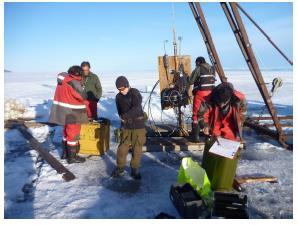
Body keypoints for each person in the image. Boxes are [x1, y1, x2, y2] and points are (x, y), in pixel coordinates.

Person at [199, 82, 247, 191]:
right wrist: (205, 126)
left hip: (230, 125)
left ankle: (225, 176)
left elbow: (243, 113)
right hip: (215, 125)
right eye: (218, 102)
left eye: (222, 103)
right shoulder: (209, 99)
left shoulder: (240, 99)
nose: (220, 105)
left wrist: (239, 123)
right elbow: (202, 115)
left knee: (229, 153)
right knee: (213, 149)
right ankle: (209, 176)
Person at [49, 66, 88, 164]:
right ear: (78, 74)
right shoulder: (74, 82)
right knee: (73, 134)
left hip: (63, 112)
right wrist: (82, 86)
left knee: (66, 132)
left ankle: (65, 153)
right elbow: (82, 96)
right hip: (73, 112)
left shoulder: (62, 80)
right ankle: (72, 158)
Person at [111, 76, 146, 180]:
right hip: (126, 126)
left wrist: (125, 116)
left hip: (138, 126)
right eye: (119, 89)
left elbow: (137, 108)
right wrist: (122, 121)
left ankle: (135, 169)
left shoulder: (134, 93)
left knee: (137, 148)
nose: (121, 91)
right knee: (122, 148)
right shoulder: (118, 97)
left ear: (127, 85)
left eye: (122, 88)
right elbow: (120, 112)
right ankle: (120, 168)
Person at [187, 56, 216, 142]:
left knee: (196, 114)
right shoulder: (212, 68)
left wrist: (185, 78)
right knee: (206, 114)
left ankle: (195, 138)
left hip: (201, 94)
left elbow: (190, 81)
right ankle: (209, 135)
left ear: (198, 62)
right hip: (211, 94)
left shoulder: (199, 68)